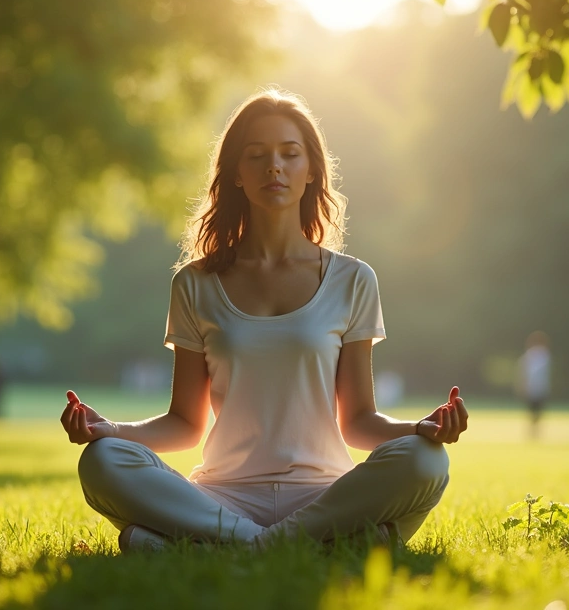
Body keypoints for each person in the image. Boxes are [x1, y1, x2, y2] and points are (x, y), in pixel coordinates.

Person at [59, 89, 468, 552]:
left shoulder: (353, 280)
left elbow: (357, 421)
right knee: (102, 462)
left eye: (289, 154)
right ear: (236, 173)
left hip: (325, 495)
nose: (274, 166)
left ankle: (212, 550)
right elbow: (184, 423)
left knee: (425, 462)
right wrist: (112, 431)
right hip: (220, 496)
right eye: (257, 155)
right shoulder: (195, 283)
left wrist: (420, 430)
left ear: (311, 170)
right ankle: (316, 548)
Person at [517, 331, 551, 436]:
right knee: (534, 412)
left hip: (537, 388)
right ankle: (533, 431)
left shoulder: (542, 356)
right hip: (535, 388)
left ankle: (534, 431)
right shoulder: (541, 356)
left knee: (536, 412)